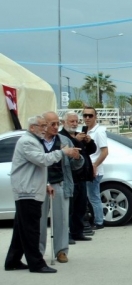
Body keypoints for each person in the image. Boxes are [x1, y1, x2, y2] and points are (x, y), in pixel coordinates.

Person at [4, 115, 79, 273]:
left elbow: (37, 167)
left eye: (47, 125)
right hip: (28, 191)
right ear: (32, 128)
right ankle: (36, 263)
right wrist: (62, 152)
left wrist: (45, 184)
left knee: (21, 229)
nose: (45, 129)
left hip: (30, 189)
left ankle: (13, 260)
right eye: (42, 126)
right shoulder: (28, 142)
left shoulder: (33, 140)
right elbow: (43, 160)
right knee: (32, 229)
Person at [39, 111, 84, 264]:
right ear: (44, 125)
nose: (56, 127)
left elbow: (75, 165)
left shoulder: (64, 140)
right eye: (52, 124)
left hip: (60, 183)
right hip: (40, 185)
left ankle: (61, 251)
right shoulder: (37, 141)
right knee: (39, 221)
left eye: (57, 123)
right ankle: (38, 251)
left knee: (62, 220)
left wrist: (77, 158)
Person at [59, 111, 96, 242]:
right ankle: (67, 235)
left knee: (80, 207)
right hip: (70, 178)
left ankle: (78, 232)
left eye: (76, 121)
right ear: (64, 123)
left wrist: (89, 141)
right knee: (69, 209)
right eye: (71, 121)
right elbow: (68, 154)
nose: (75, 124)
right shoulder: (61, 137)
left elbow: (90, 151)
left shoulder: (78, 136)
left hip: (82, 177)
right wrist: (76, 141)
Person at [83, 107, 108, 230]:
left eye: (90, 115)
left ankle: (99, 221)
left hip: (94, 169)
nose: (87, 118)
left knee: (93, 196)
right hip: (86, 168)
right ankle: (95, 219)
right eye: (85, 115)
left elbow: (105, 152)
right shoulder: (86, 131)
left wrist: (95, 165)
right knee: (90, 196)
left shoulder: (99, 132)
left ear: (95, 117)